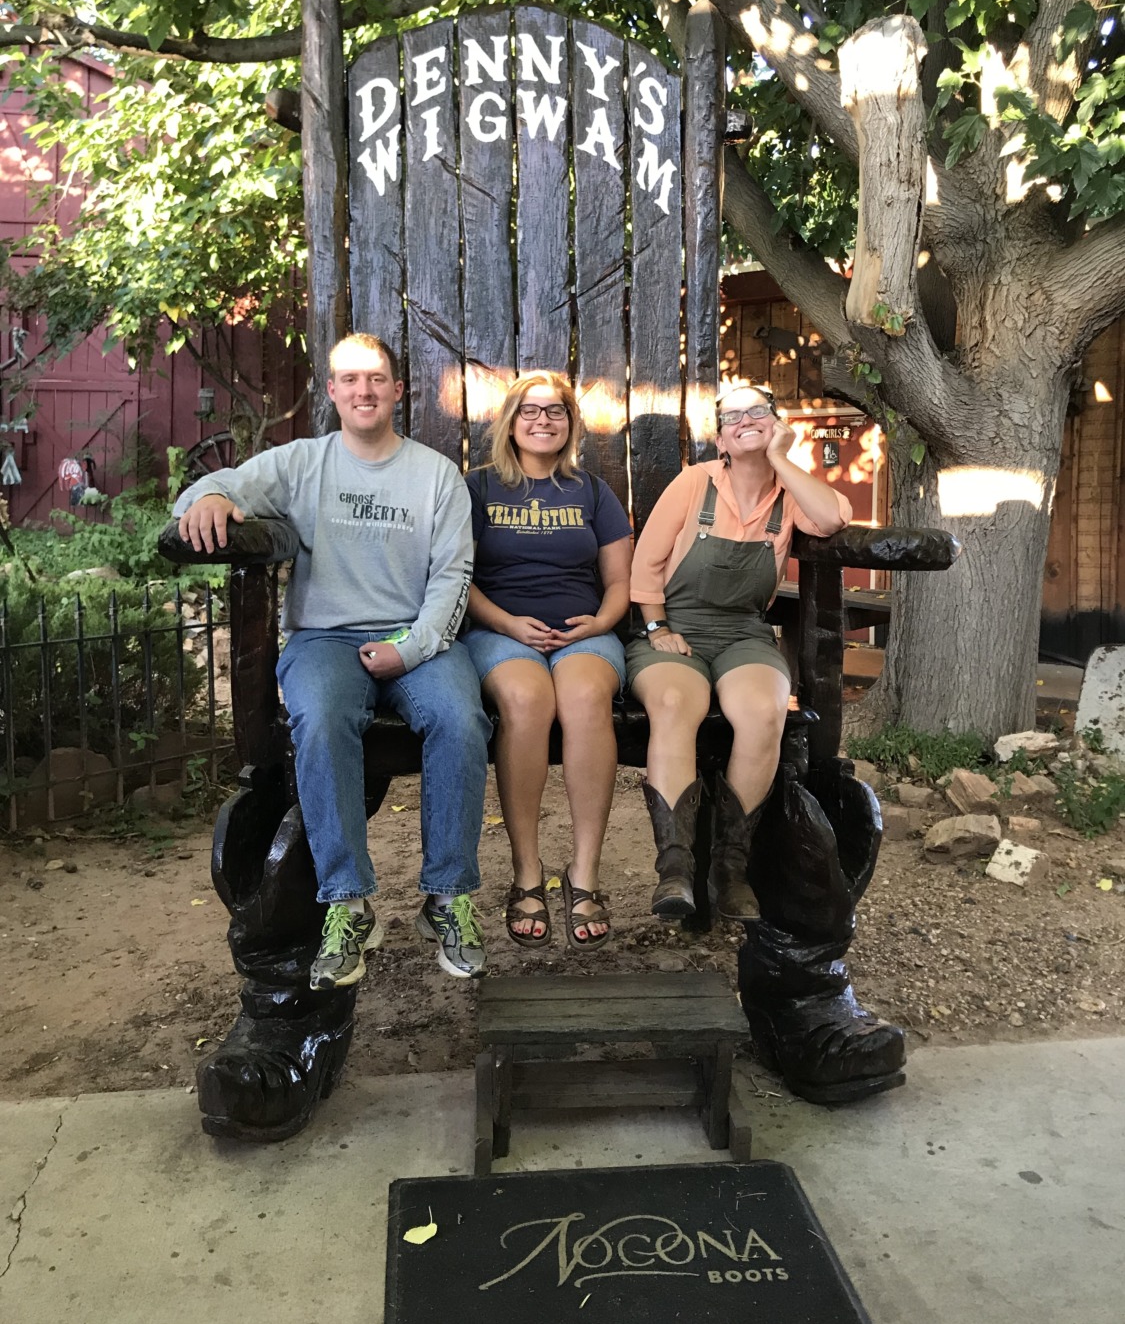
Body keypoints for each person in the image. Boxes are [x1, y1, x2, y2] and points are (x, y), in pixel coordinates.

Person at [175, 333, 491, 987]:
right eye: (349, 379)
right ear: (333, 392)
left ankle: (447, 897)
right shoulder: (300, 463)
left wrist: (408, 648)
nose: (364, 390)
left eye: (376, 378)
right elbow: (214, 486)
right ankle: (348, 902)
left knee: (461, 719)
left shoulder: (435, 475)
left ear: (397, 390)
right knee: (317, 718)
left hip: (418, 640)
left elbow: (452, 578)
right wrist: (207, 500)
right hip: (326, 639)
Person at [626, 383, 851, 920]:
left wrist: (781, 458)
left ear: (776, 422)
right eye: (732, 416)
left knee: (764, 709)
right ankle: (675, 870)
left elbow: (833, 517)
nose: (744, 420)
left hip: (745, 633)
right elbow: (646, 564)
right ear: (720, 436)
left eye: (757, 411)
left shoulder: (789, 491)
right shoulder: (693, 483)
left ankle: (730, 868)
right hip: (675, 629)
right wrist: (657, 627)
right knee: (678, 704)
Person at [464, 371, 632, 949]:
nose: (543, 420)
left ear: (570, 424)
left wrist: (601, 623)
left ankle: (584, 875)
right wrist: (509, 623)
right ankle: (528, 874)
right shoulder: (479, 488)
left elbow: (619, 582)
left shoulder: (591, 491)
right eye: (530, 411)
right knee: (527, 699)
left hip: (584, 631)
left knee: (586, 696)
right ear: (511, 422)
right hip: (500, 631)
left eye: (555, 411)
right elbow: (458, 578)